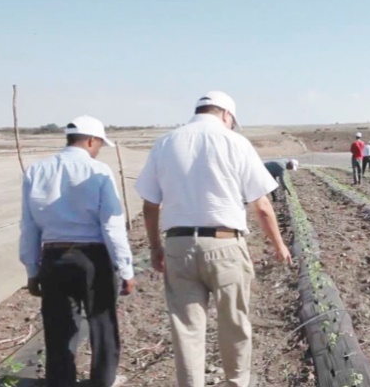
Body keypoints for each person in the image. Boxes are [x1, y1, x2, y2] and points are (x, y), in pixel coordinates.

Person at [135, 91, 292, 387]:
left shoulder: (165, 143)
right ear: (226, 115)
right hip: (225, 245)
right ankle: (235, 382)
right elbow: (261, 206)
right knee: (234, 323)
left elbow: (149, 205)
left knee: (187, 329)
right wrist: (279, 245)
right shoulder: (235, 142)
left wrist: (156, 248)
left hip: (178, 245)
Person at [19, 116, 134, 387]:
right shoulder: (99, 171)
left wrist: (32, 271)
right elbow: (112, 224)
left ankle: (61, 382)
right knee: (102, 324)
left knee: (58, 329)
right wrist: (125, 268)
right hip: (93, 258)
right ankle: (103, 381)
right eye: (99, 145)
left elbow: (29, 226)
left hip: (53, 257)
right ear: (92, 141)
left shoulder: (37, 171)